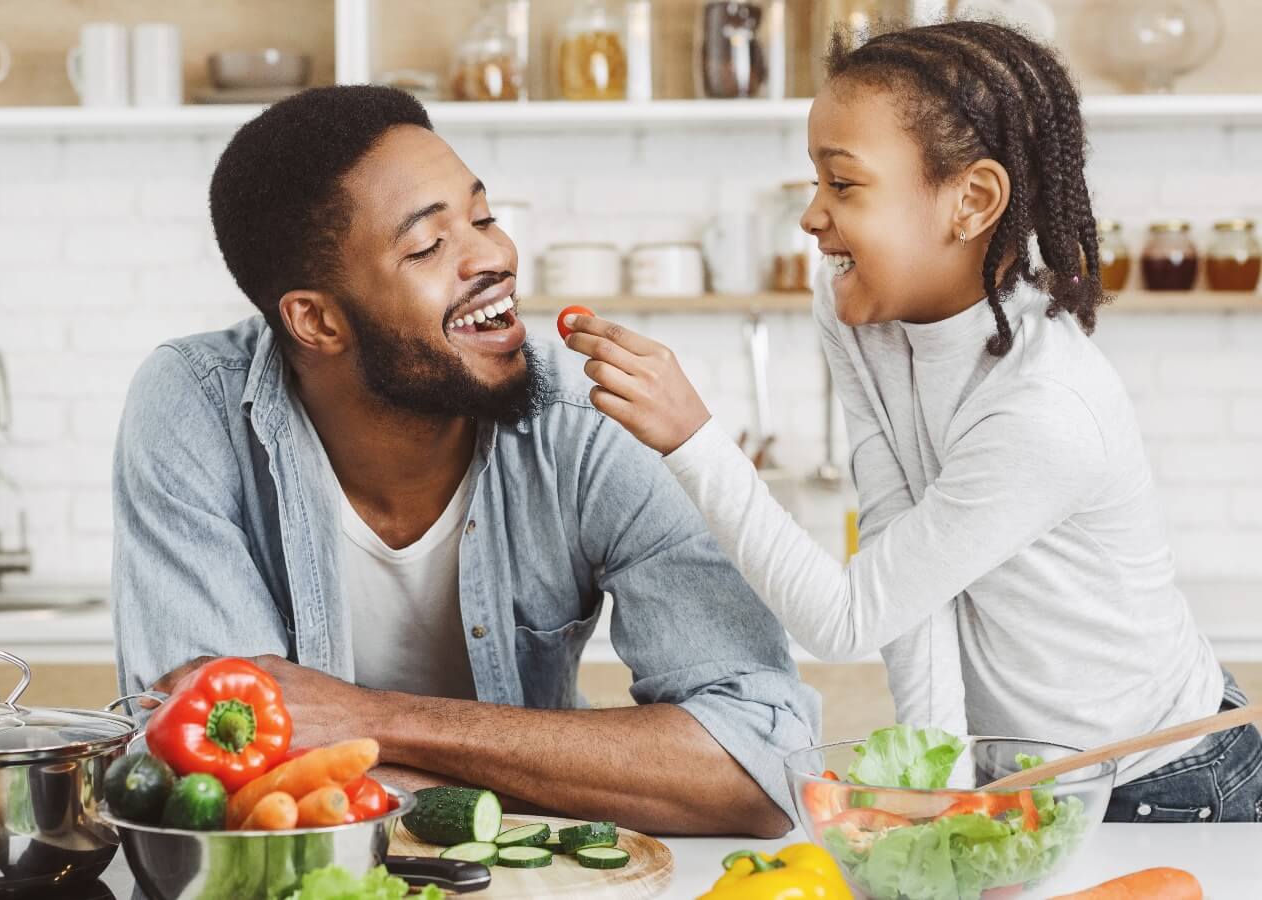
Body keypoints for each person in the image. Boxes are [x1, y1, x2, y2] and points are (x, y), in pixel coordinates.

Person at [562, 20, 1261, 822]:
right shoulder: (860, 313)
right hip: (1029, 784)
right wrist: (942, 785)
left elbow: (846, 618)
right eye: (814, 182)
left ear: (970, 201)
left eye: (845, 184)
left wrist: (692, 439)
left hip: (1164, 779)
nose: (812, 217)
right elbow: (903, 570)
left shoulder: (1044, 407)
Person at [110, 85, 819, 836]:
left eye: (482, 217)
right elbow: (216, 777)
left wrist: (368, 720)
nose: (494, 256)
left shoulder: (592, 422)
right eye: (427, 246)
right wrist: (582, 777)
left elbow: (761, 769)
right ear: (316, 319)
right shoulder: (195, 406)